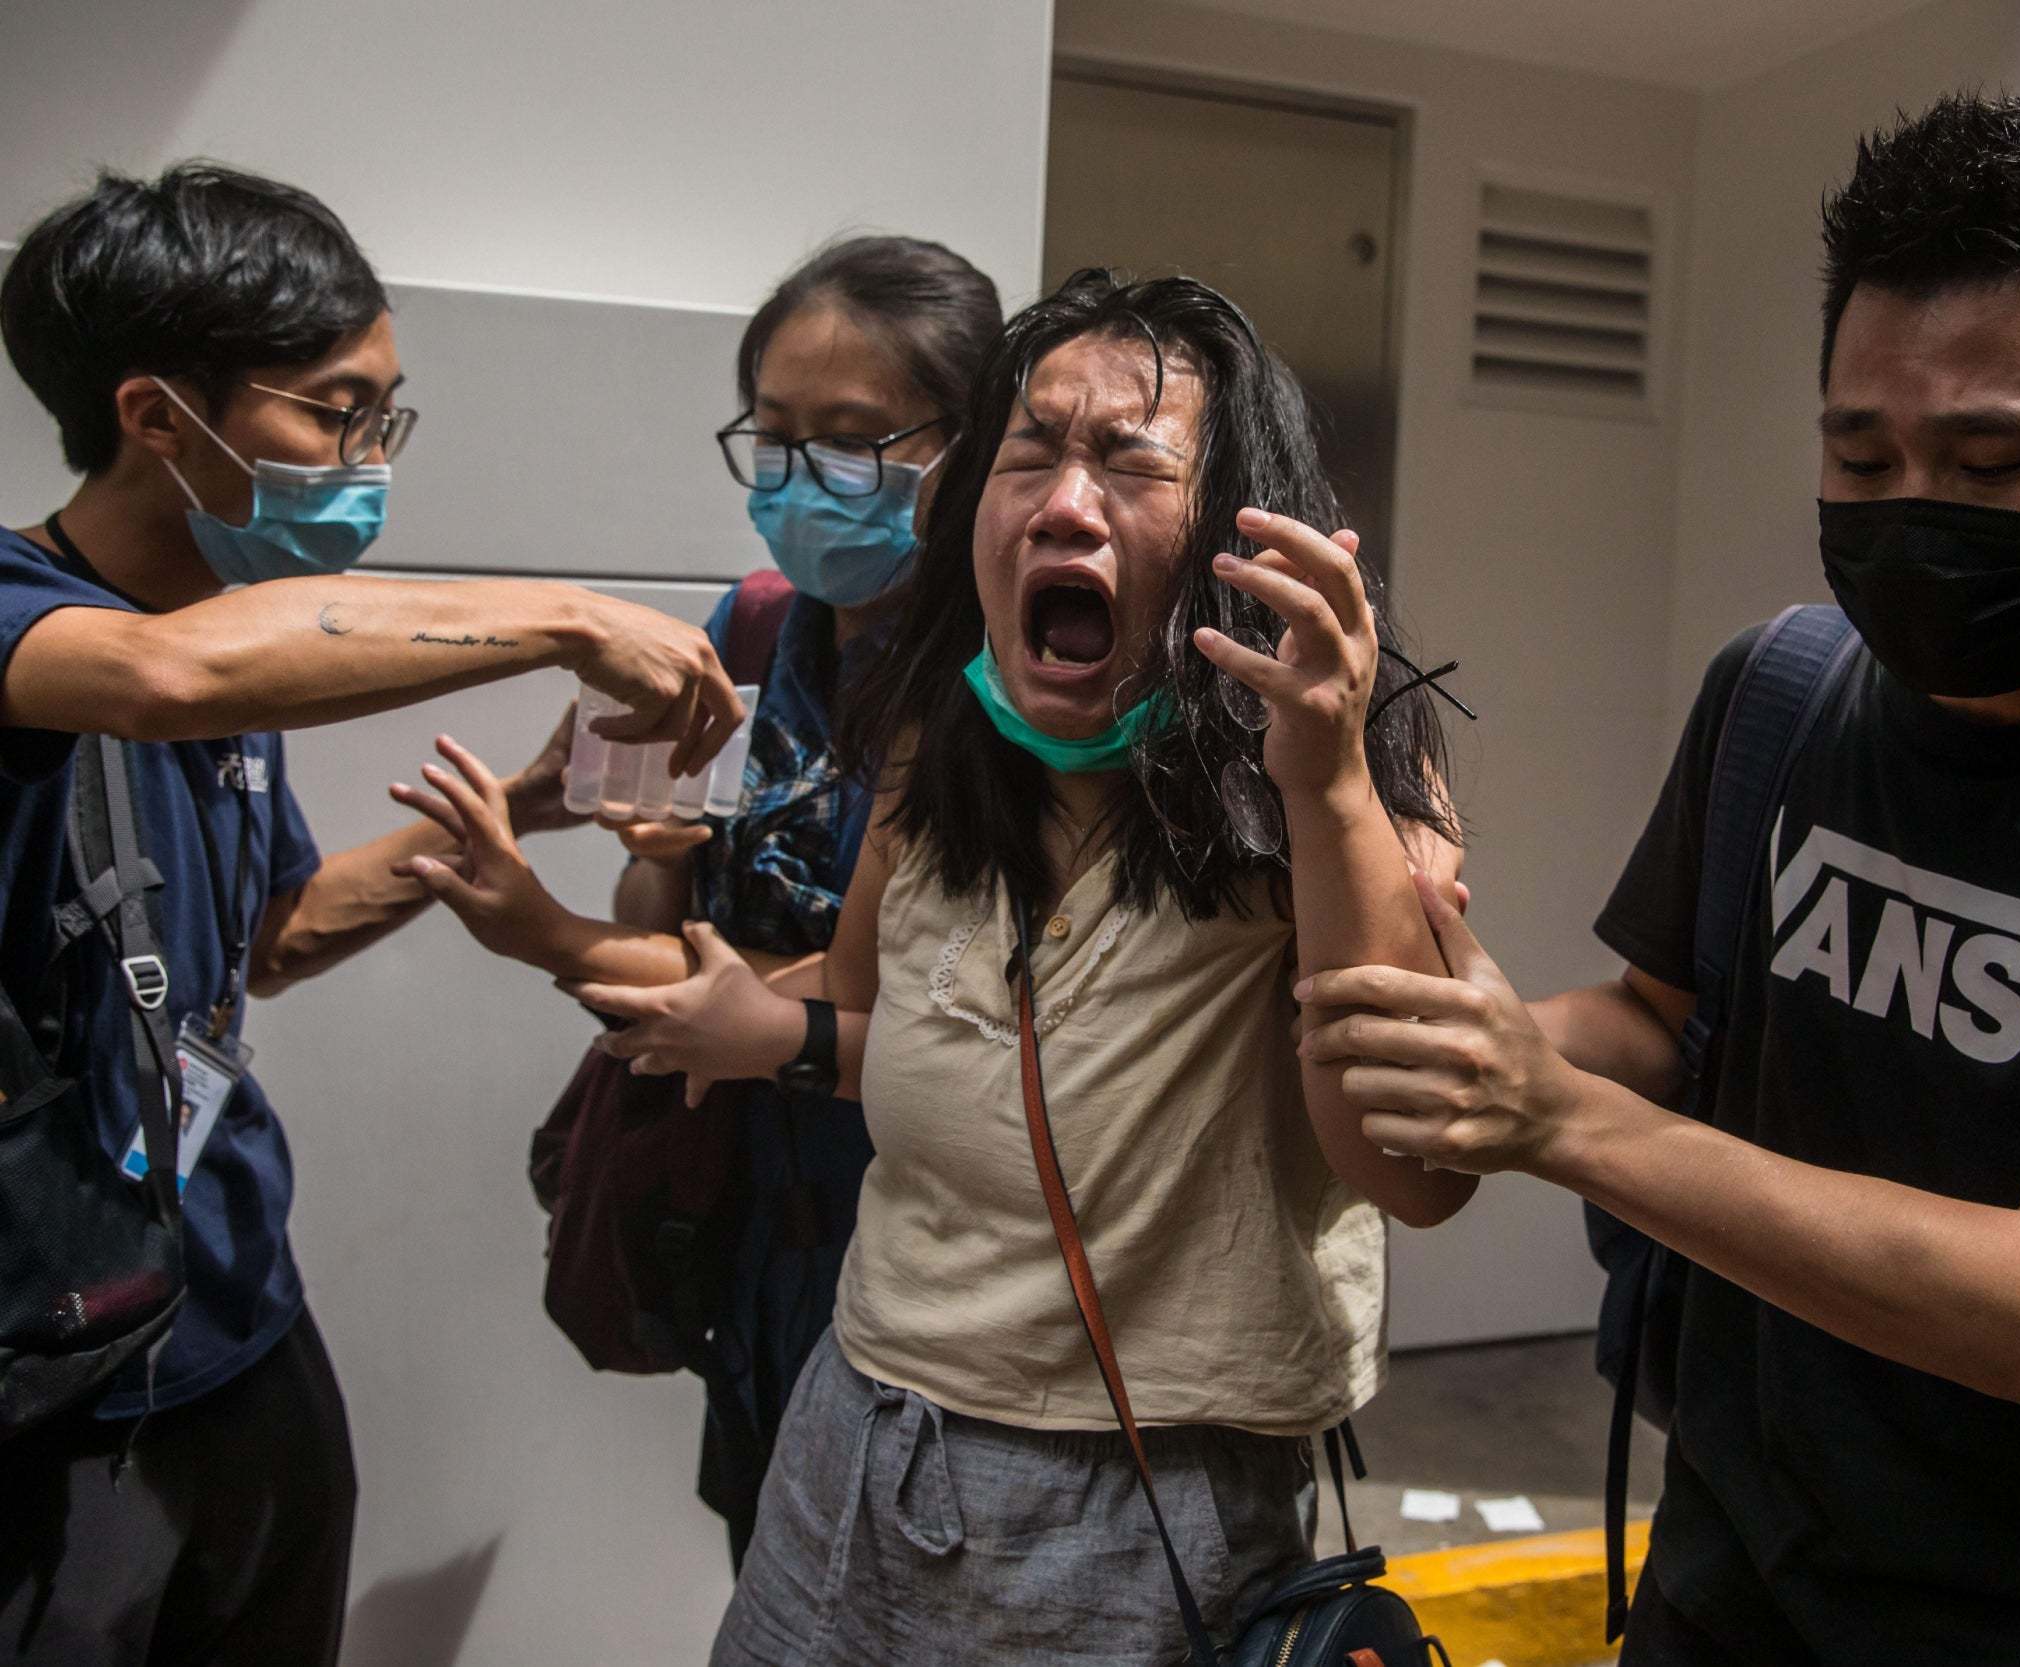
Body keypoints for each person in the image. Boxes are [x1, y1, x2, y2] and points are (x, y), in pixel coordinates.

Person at [411, 270, 1472, 1661]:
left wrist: (1326, 781)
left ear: (1232, 532)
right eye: (1028, 453)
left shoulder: (1337, 781)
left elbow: (1417, 1175)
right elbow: (869, 1020)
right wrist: (572, 932)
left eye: (1129, 462)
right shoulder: (931, 745)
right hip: (854, 1419)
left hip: (1135, 1490)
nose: (1065, 502)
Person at [1304, 92, 2020, 1665]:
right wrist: (1472, 1031)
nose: (1913, 511)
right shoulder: (1787, 688)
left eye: (1995, 460)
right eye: (1860, 454)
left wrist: (1558, 1118)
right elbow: (1670, 1016)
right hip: (1725, 1569)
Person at [0, 163, 741, 1667]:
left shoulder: (231, 636)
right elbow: (163, 684)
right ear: (155, 417)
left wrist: (517, 820)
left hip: (237, 1324)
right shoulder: (44, 621)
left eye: (383, 413)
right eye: (335, 413)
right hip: (46, 1389)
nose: (367, 456)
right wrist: (564, 613)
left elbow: (270, 939)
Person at [392, 233, 1002, 1566]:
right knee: (768, 1565)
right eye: (770, 434)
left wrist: (546, 939)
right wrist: (655, 855)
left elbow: (894, 1003)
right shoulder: (752, 630)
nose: (795, 475)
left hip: (934, 1255)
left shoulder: (1005, 693)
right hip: (756, 1226)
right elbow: (681, 931)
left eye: (847, 438)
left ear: (967, 446)